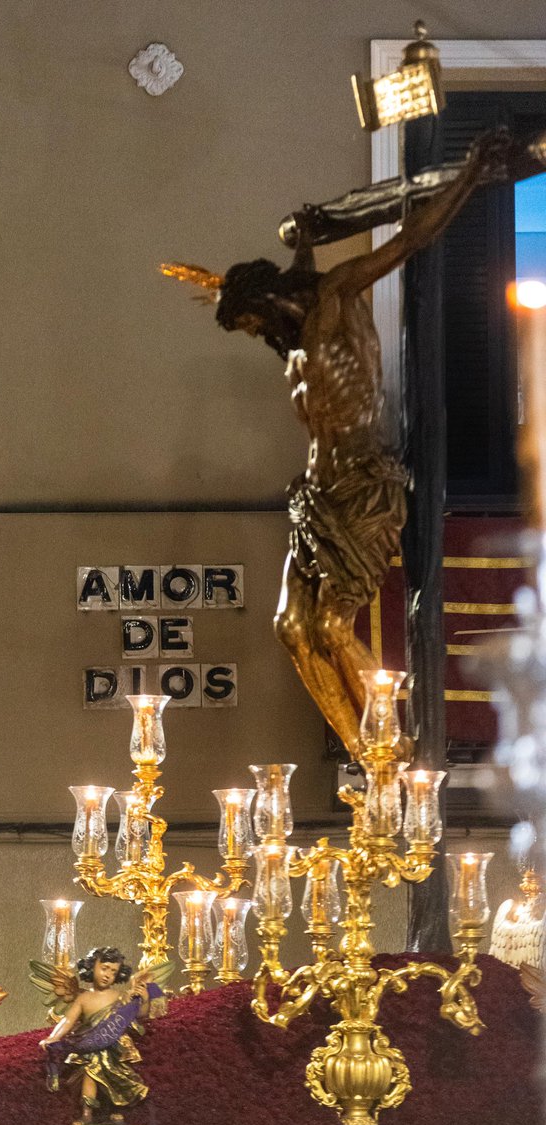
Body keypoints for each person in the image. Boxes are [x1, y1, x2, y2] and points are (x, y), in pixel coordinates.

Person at [164, 131, 510, 756]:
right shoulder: (294, 338)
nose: (252, 334)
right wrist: (302, 235)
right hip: (316, 492)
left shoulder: (338, 300)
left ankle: (390, 748)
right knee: (290, 627)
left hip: (362, 489)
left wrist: (468, 177)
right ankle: (365, 750)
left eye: (247, 323)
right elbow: (298, 269)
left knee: (328, 624)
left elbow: (411, 239)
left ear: (264, 303)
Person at [38, 946, 155, 1125]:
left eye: (113, 971)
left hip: (114, 1048)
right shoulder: (83, 998)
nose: (108, 974)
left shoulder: (120, 996)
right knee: (90, 1074)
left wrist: (145, 999)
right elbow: (68, 1020)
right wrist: (53, 1037)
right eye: (104, 968)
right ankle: (87, 1113)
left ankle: (114, 1109)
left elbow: (139, 1015)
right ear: (92, 966)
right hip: (89, 1048)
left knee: (114, 1078)